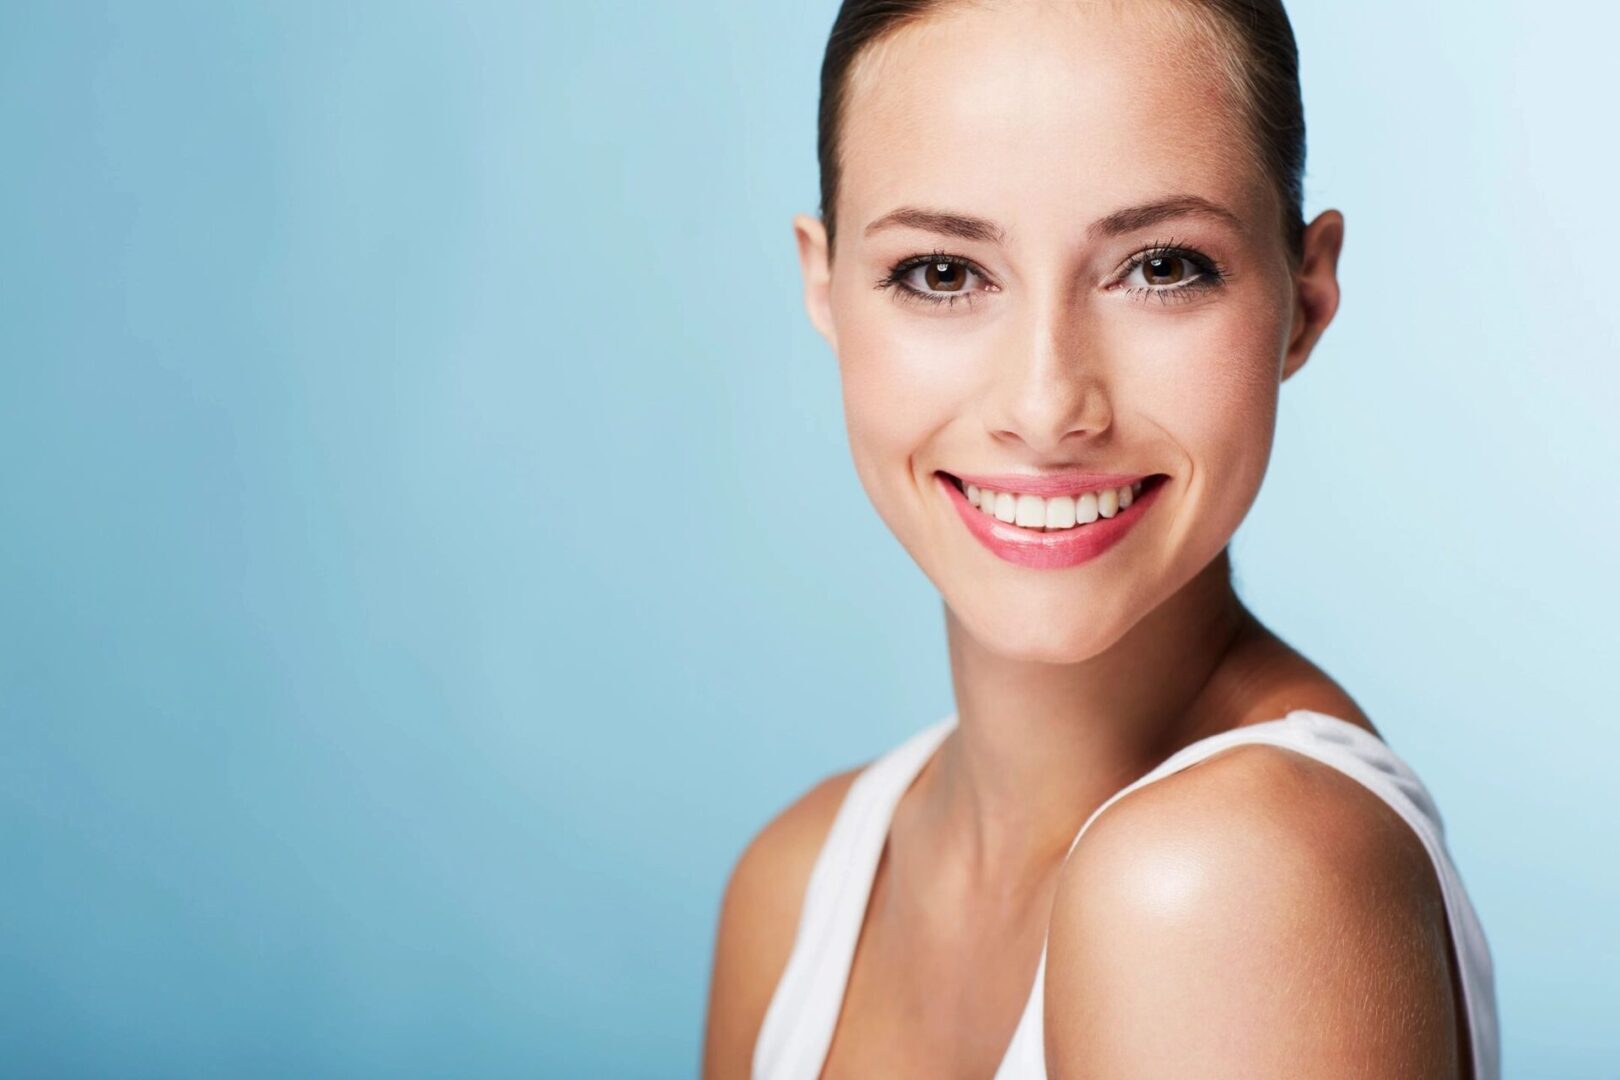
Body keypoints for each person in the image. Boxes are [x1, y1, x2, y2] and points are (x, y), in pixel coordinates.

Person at [702, 0, 1499, 1076]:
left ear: (1304, 300)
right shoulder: (799, 883)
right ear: (824, 286)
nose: (1046, 405)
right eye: (942, 272)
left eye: (1161, 266)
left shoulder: (1232, 879)